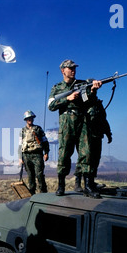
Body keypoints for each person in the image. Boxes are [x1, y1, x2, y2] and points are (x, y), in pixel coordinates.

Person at [47, 59, 102, 198]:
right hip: (67, 121)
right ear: (62, 70)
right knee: (64, 153)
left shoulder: (82, 84)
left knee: (86, 152)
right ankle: (61, 186)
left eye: (74, 68)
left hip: (82, 120)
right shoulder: (57, 87)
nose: (73, 70)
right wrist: (68, 99)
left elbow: (88, 101)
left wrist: (93, 90)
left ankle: (88, 186)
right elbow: (51, 106)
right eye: (70, 68)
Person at [18, 110, 50, 194]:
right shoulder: (22, 131)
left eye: (31, 118)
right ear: (25, 119)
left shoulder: (38, 129)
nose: (30, 120)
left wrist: (46, 153)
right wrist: (20, 158)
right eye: (28, 118)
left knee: (39, 174)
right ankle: (32, 194)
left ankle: (43, 193)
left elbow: (45, 141)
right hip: (26, 155)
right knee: (30, 176)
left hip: (37, 154)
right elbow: (20, 145)